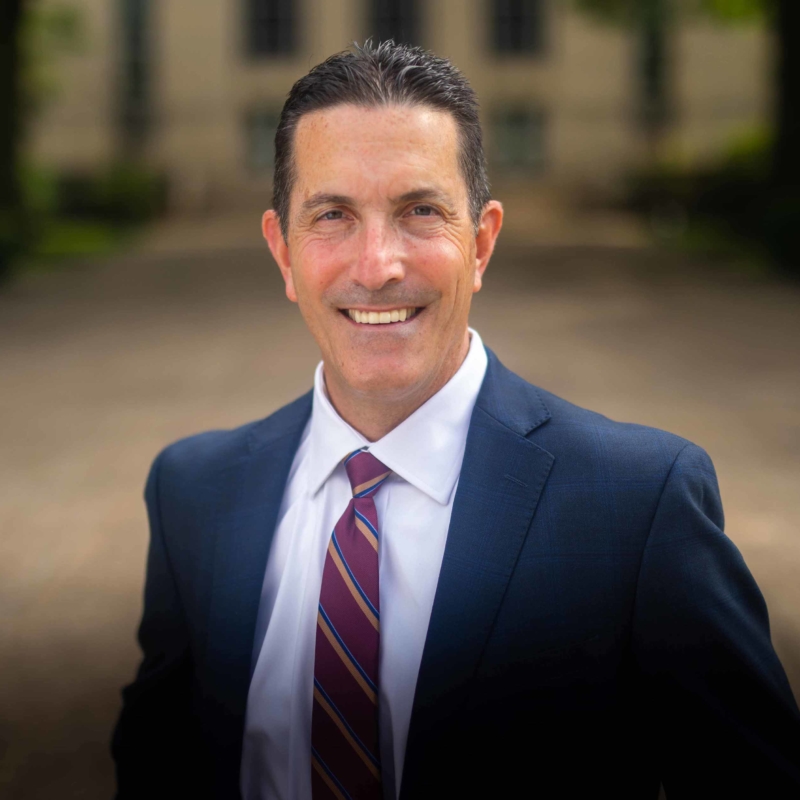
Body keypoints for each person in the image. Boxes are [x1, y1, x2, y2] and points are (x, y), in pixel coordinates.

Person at [112, 41, 800, 800]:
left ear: (481, 242)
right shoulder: (193, 494)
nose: (377, 266)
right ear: (283, 252)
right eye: (333, 215)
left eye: (420, 212)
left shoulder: (639, 505)